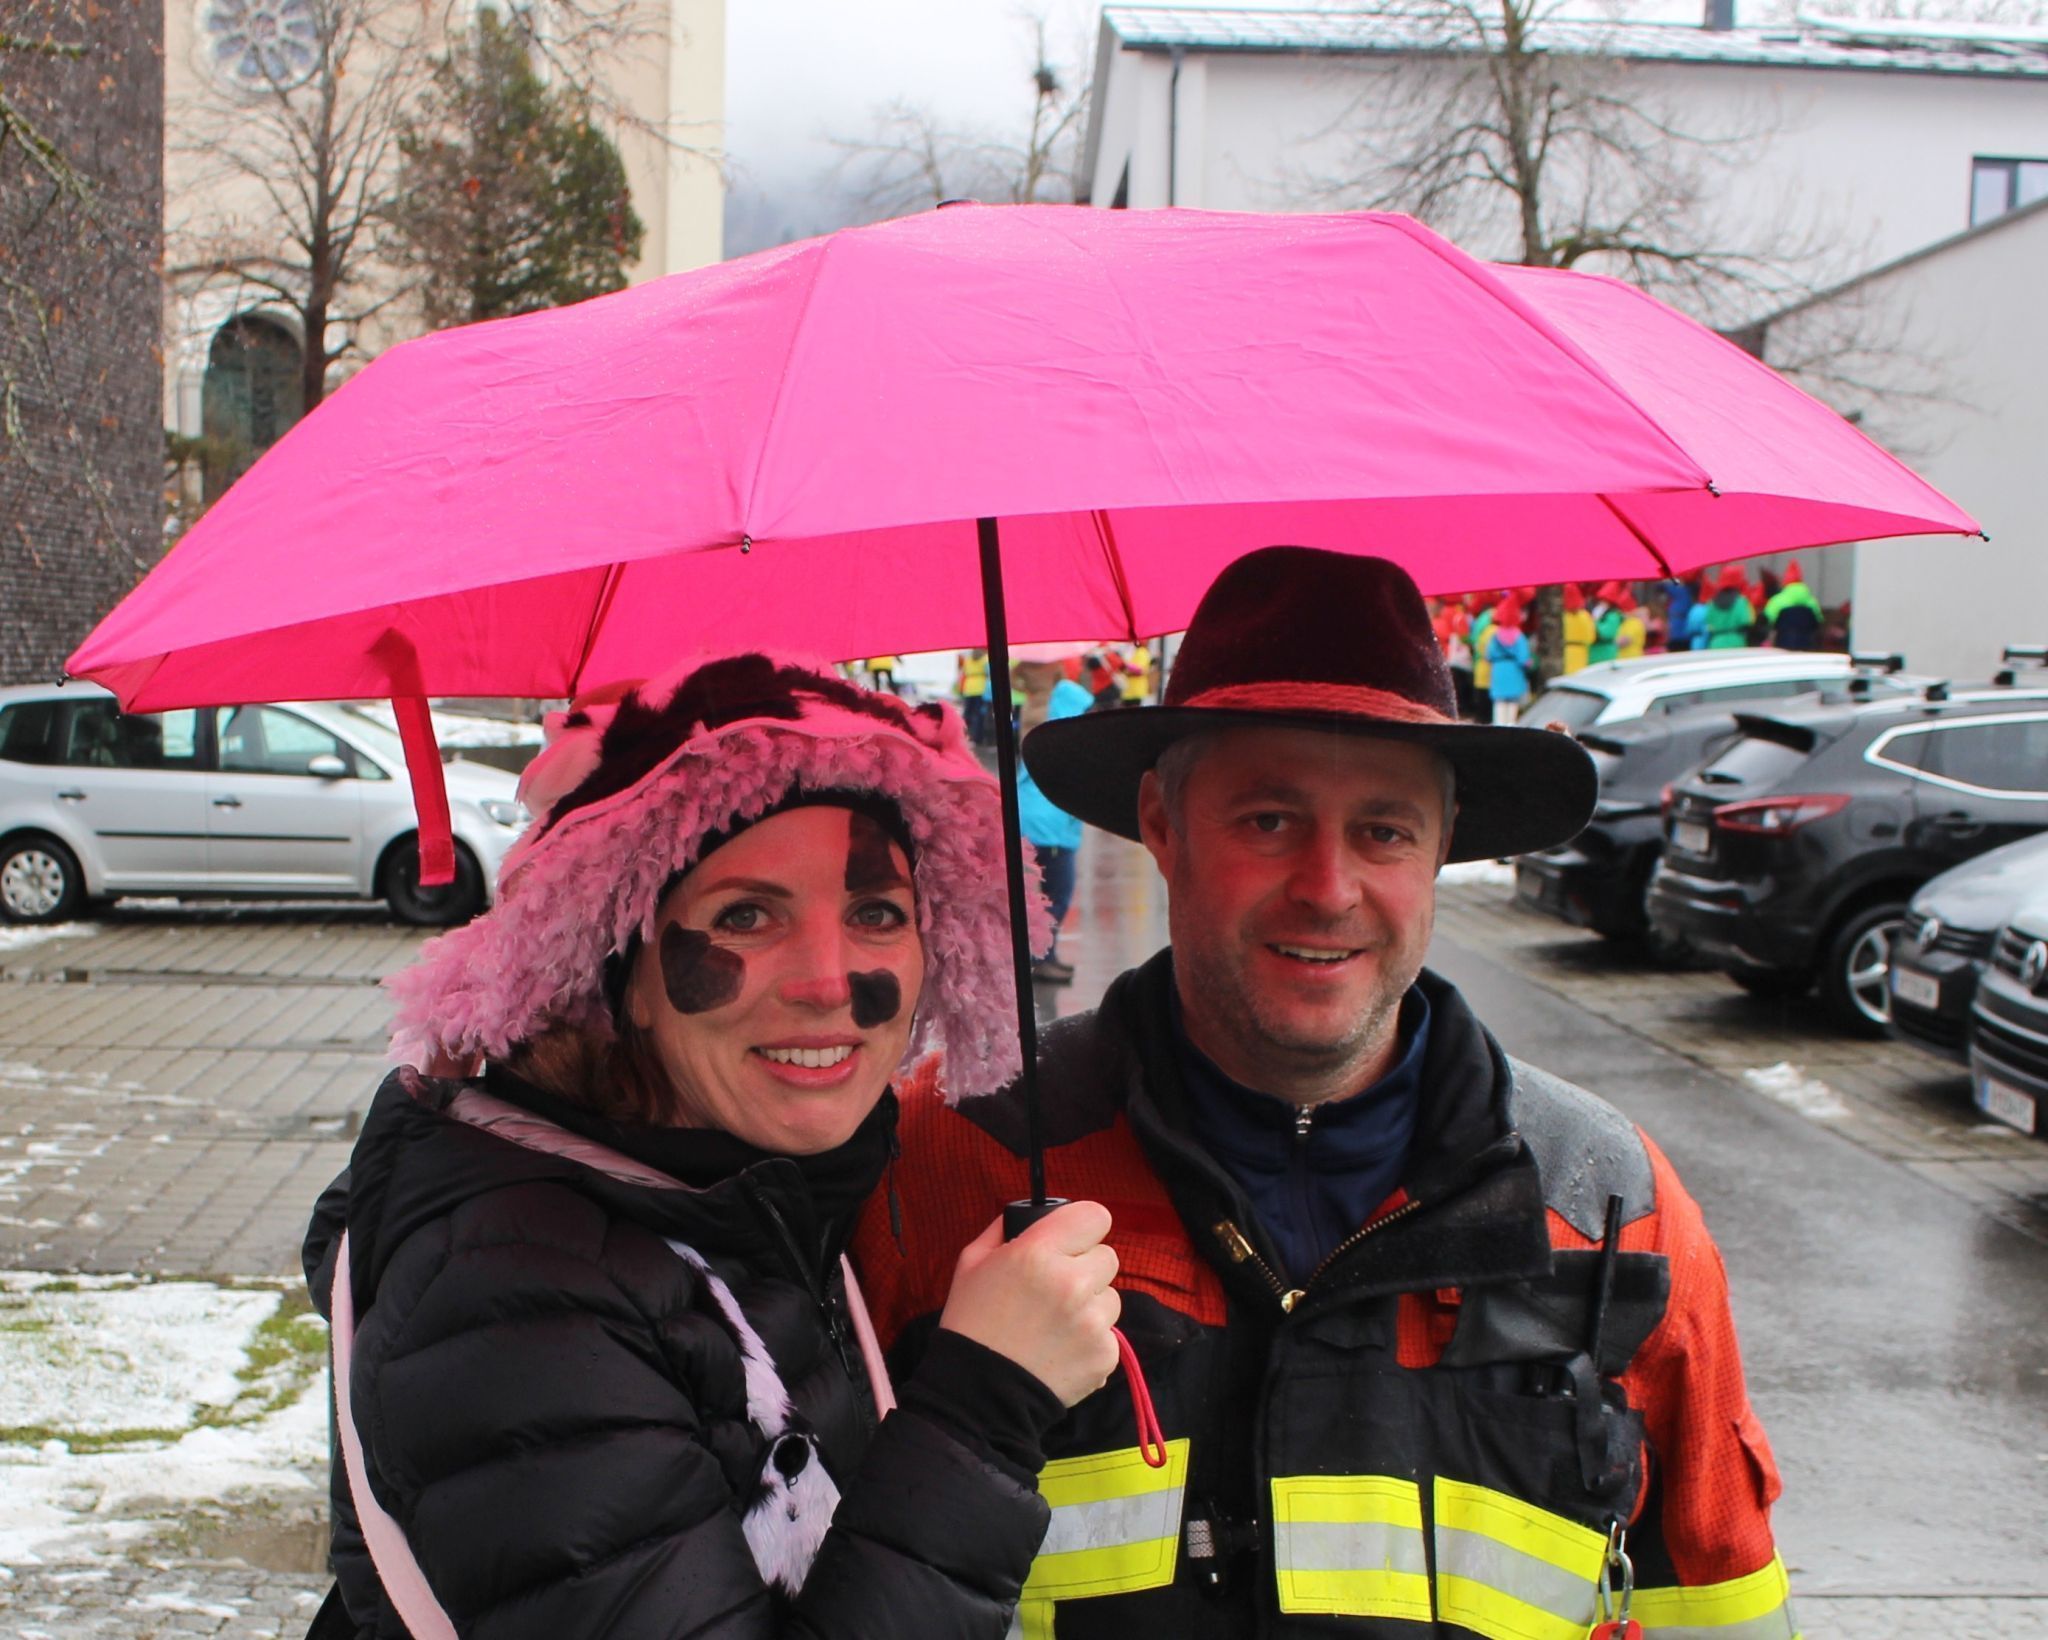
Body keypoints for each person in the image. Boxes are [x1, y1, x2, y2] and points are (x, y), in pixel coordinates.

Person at [855, 549, 1796, 1639]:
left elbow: (1715, 1613)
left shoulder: (1610, 1212)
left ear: (1441, 848)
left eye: (1383, 829)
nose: (1327, 886)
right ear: (1161, 823)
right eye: (1267, 818)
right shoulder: (943, 1166)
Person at [300, 654, 1123, 1639]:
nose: (827, 979)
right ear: (621, 975)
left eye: (874, 912)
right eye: (745, 914)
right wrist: (984, 1402)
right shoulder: (517, 1296)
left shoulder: (761, 1192)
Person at [1019, 669, 1096, 985]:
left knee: (1047, 896)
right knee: (1057, 896)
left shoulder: (1044, 731)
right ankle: (1042, 957)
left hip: (1039, 821)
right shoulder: (1067, 744)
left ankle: (1043, 956)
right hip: (1050, 827)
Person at [1483, 597, 1533, 726]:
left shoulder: (1495, 635)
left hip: (1499, 670)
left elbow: (1488, 655)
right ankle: (1510, 726)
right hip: (1514, 670)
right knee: (1512, 704)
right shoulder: (1519, 636)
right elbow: (1523, 659)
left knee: (1499, 703)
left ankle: (1498, 726)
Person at [1765, 561, 1823, 651]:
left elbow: (1767, 620)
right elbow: (1818, 621)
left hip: (1783, 644)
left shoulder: (1776, 600)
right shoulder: (1812, 602)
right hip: (1806, 645)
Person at [1704, 565, 1757, 649]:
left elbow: (1708, 623)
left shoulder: (1712, 603)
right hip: (1736, 642)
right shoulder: (1741, 601)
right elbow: (1747, 621)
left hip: (1716, 643)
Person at [958, 647, 993, 744]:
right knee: (979, 714)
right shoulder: (985, 659)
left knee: (967, 713)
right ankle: (977, 737)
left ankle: (963, 735)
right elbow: (989, 672)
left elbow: (963, 672)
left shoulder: (968, 660)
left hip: (968, 688)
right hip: (980, 688)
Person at [1561, 582, 1594, 674]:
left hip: (1565, 651)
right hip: (1581, 651)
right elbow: (1591, 638)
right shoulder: (1585, 616)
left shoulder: (1562, 616)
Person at [1614, 586, 1648, 660]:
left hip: (1632, 660)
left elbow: (1625, 641)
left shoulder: (1634, 623)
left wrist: (1607, 644)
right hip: (1626, 660)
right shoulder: (1626, 622)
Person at [1120, 642, 1153, 707]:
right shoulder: (1133, 652)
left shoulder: (1142, 652)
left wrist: (1127, 671)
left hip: (1136, 691)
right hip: (1129, 690)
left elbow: (1141, 671)